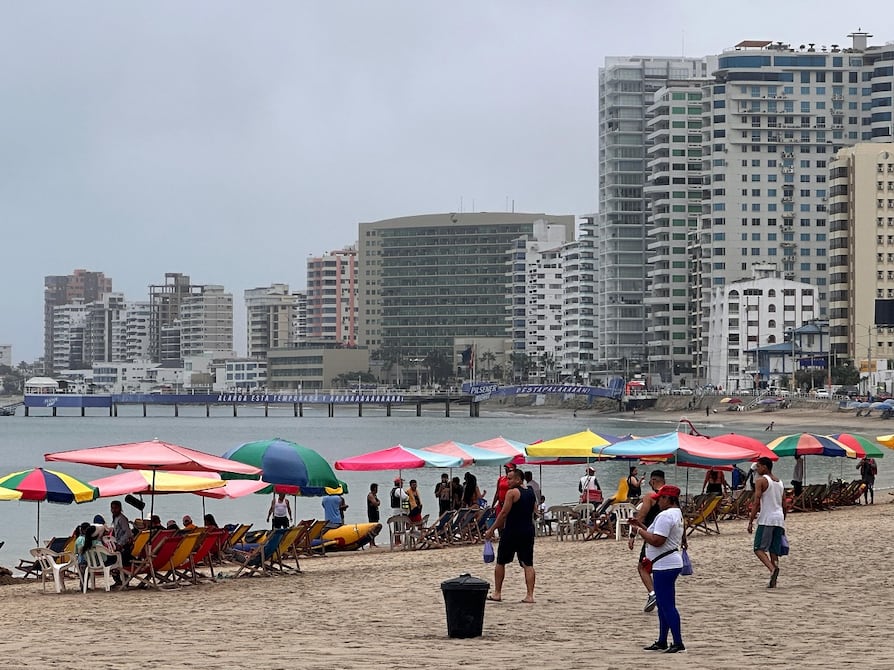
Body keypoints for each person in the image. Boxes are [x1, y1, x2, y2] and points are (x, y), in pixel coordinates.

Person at [630, 484, 686, 653]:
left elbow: (657, 540)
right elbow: (657, 535)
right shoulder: (676, 514)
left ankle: (677, 641)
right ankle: (662, 640)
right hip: (669, 562)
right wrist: (640, 525)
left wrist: (639, 530)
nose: (658, 502)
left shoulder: (666, 516)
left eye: (661, 498)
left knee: (667, 605)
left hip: (665, 564)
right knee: (663, 604)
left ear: (668, 499)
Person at [483, 467, 536, 603]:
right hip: (528, 530)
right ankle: (530, 595)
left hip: (512, 530)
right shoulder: (530, 492)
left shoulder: (511, 493)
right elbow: (534, 510)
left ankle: (497, 593)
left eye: (510, 479)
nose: (507, 481)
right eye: (507, 478)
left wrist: (491, 529)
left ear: (518, 479)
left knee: (501, 561)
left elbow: (504, 513)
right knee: (527, 563)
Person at [628, 469, 666, 612]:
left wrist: (632, 536)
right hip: (668, 537)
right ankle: (661, 594)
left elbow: (640, 518)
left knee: (642, 567)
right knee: (660, 567)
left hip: (652, 536)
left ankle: (652, 594)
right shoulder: (670, 495)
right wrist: (683, 539)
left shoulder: (650, 496)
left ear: (653, 481)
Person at [748, 456, 786, 588]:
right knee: (773, 550)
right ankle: (774, 578)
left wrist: (750, 521)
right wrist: (783, 520)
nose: (757, 469)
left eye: (758, 466)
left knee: (758, 548)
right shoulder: (779, 482)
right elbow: (784, 503)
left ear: (765, 467)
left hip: (767, 519)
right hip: (779, 519)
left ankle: (772, 569)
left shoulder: (761, 481)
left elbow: (756, 502)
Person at [109, 500, 134, 578]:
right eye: (112, 508)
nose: (113, 510)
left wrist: (120, 544)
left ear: (120, 508)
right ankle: (120, 579)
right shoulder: (116, 518)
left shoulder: (121, 519)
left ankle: (120, 579)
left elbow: (127, 533)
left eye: (115, 508)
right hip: (120, 544)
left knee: (114, 560)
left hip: (124, 546)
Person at [389, 477, 409, 545]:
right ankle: (398, 541)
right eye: (402, 482)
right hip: (400, 510)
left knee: (397, 526)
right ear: (399, 483)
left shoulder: (393, 490)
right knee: (399, 526)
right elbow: (404, 497)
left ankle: (397, 541)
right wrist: (408, 495)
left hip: (395, 510)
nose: (403, 484)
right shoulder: (399, 490)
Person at [366, 483, 380, 547]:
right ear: (374, 488)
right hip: (372, 513)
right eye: (376, 488)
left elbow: (377, 503)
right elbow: (375, 503)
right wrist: (377, 502)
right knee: (372, 528)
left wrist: (377, 503)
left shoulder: (375, 495)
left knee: (375, 528)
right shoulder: (370, 495)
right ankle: (371, 543)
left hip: (375, 512)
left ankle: (373, 542)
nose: (377, 490)